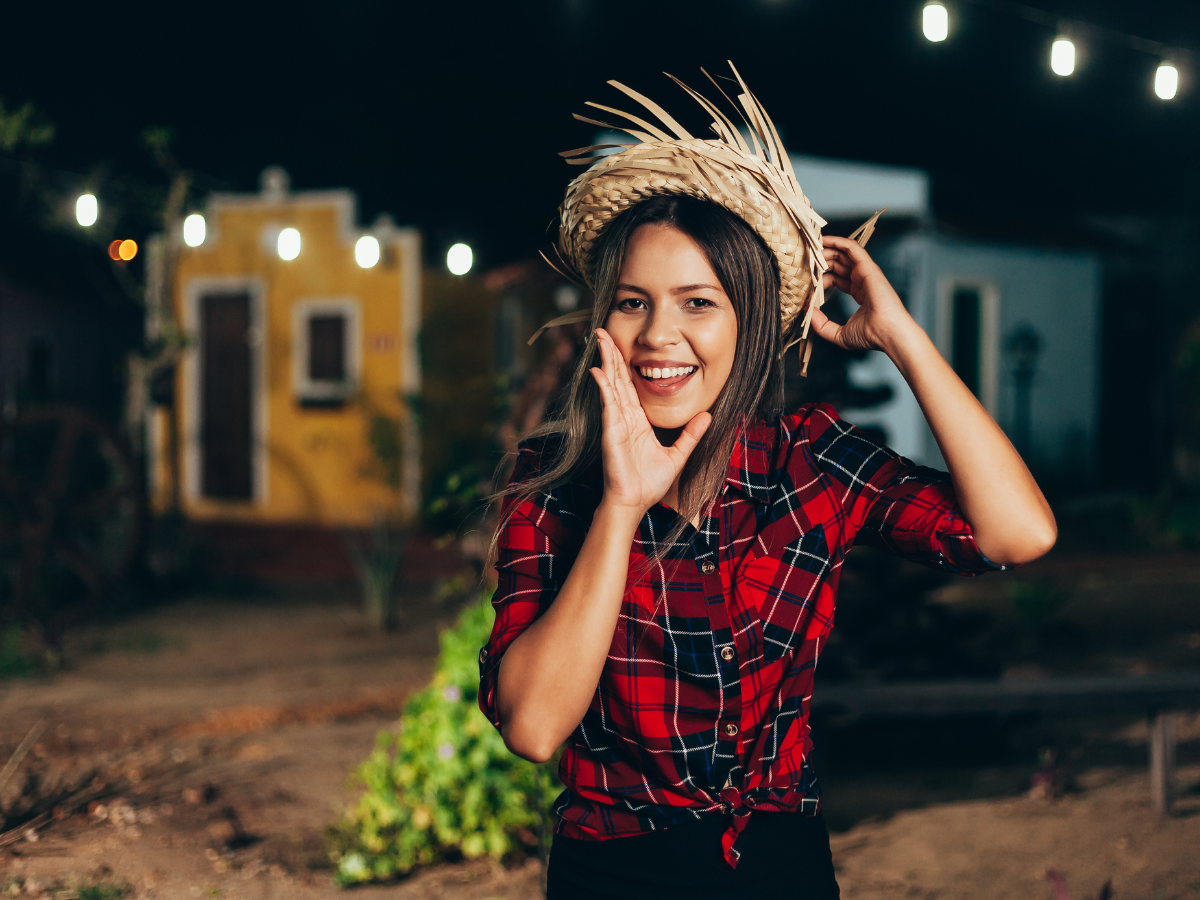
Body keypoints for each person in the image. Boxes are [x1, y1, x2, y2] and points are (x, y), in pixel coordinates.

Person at [477, 65, 1056, 899]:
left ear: (749, 323)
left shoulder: (807, 462)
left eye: (697, 303)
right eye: (633, 302)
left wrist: (902, 338)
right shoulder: (553, 481)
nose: (658, 336)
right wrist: (620, 507)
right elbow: (533, 726)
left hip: (783, 867)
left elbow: (1018, 533)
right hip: (615, 874)